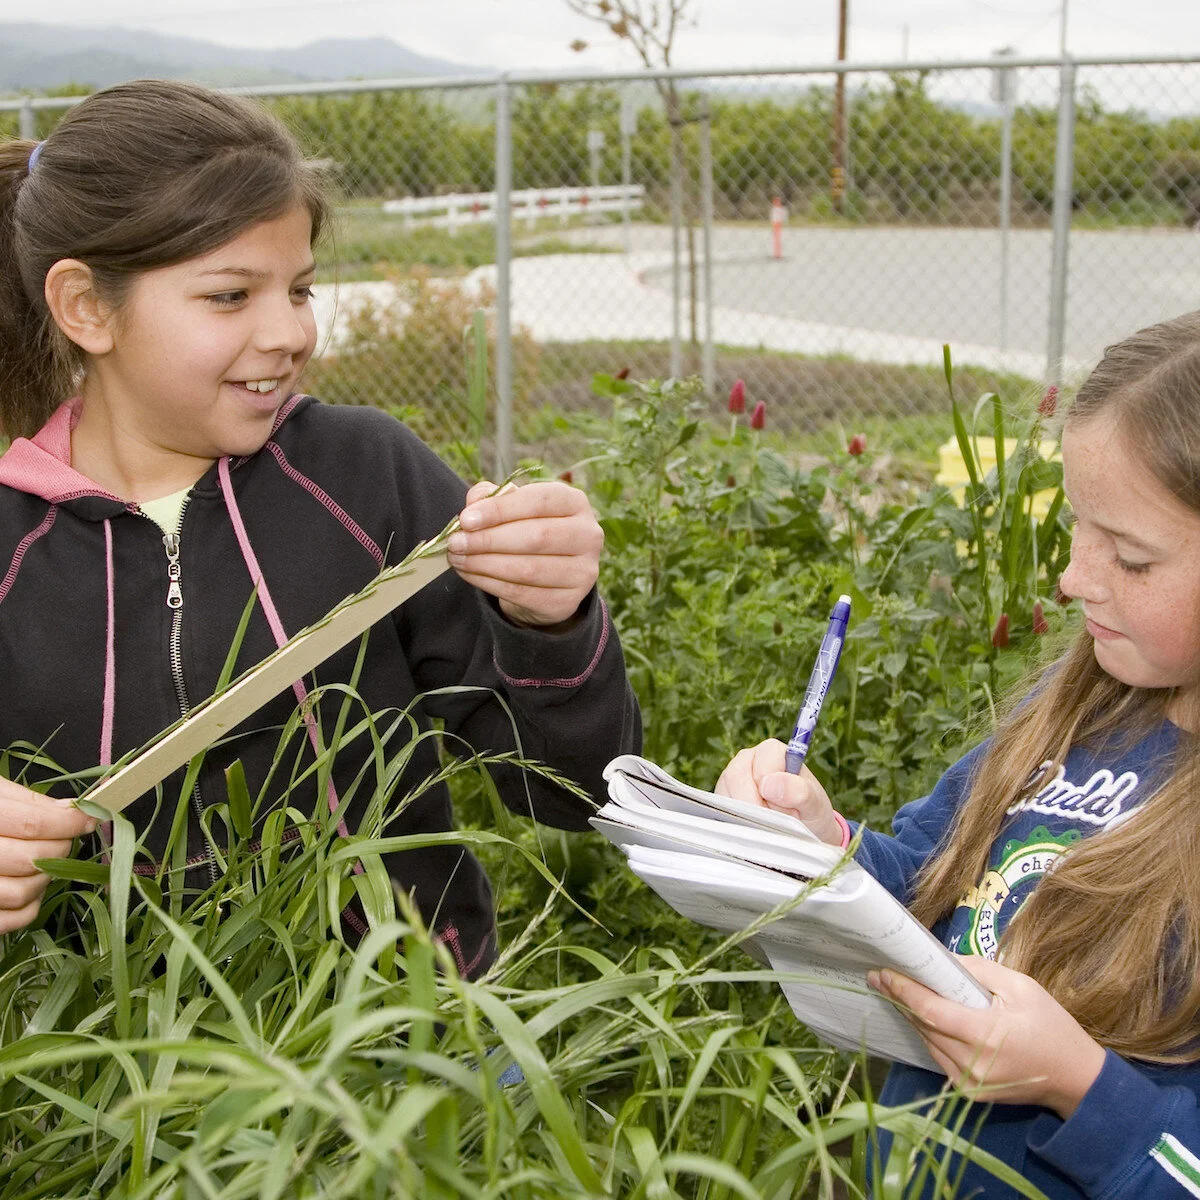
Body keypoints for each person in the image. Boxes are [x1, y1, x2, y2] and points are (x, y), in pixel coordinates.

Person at [0, 79, 640, 977]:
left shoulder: (365, 476)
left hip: (410, 1045)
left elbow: (572, 791)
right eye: (229, 296)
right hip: (118, 1087)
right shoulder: (10, 547)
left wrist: (552, 622)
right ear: (86, 308)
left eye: (299, 288)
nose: (288, 332)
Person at [717, 312, 1200, 1199]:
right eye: (1078, 529)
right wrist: (826, 842)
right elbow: (934, 898)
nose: (1071, 577)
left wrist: (1079, 1087)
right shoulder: (1073, 713)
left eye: (1129, 557)